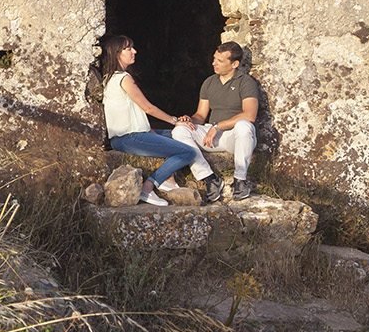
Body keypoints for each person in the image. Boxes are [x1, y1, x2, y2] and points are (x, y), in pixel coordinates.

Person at [93, 33, 198, 205]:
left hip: (132, 135)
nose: (134, 51)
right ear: (117, 53)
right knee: (188, 151)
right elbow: (147, 107)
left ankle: (167, 179)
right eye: (128, 48)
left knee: (182, 133)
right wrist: (174, 120)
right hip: (130, 138)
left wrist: (158, 131)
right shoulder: (123, 79)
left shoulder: (109, 78)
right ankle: (148, 187)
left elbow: (134, 114)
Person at [172, 41, 261, 202]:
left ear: (234, 64)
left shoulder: (246, 82)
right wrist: (189, 120)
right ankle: (210, 178)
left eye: (219, 61)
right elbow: (200, 116)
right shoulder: (209, 82)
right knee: (179, 130)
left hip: (235, 137)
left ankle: (240, 181)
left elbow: (250, 115)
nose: (214, 63)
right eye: (214, 59)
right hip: (212, 135)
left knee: (244, 126)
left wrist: (217, 126)